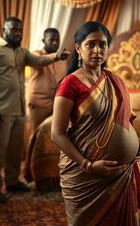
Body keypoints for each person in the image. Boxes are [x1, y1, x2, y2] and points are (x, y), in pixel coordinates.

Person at [51, 21, 140, 226]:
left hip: (120, 174)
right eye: (91, 44)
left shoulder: (116, 80)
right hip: (85, 176)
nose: (97, 50)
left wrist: (136, 142)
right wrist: (88, 165)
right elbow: (57, 134)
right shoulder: (70, 83)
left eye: (102, 44)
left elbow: (124, 120)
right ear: (78, 48)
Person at [0, 17, 70, 203]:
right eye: (13, 29)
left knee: (15, 149)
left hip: (18, 108)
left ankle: (13, 181)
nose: (17, 33)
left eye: (20, 30)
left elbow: (38, 60)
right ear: (3, 30)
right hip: (2, 109)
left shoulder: (22, 52)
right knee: (0, 150)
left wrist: (57, 56)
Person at [27, 28, 67, 134]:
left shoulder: (63, 59)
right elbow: (39, 61)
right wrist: (56, 56)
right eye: (51, 40)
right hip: (38, 104)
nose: (55, 42)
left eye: (57, 40)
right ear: (43, 41)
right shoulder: (36, 54)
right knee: (35, 135)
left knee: (51, 137)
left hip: (56, 105)